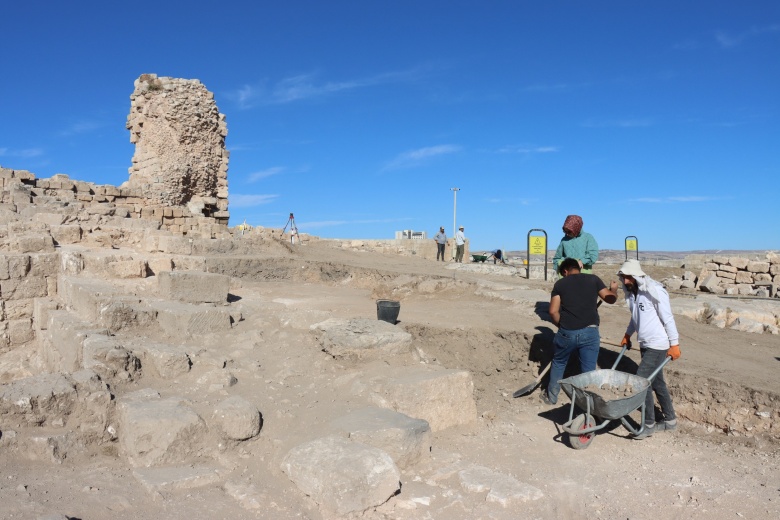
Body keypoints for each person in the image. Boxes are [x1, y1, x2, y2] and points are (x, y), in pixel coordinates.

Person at [617, 259, 682, 440]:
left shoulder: (654, 292)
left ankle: (648, 425)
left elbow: (668, 318)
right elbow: (635, 318)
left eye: (627, 277)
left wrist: (674, 343)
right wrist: (628, 334)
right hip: (644, 344)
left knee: (641, 381)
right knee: (657, 382)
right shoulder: (633, 294)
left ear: (635, 276)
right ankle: (670, 421)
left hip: (658, 344)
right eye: (623, 277)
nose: (624, 281)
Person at [541, 257, 619, 405]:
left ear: (565, 271)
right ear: (579, 268)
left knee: (559, 362)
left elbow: (552, 311)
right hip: (590, 332)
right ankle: (588, 405)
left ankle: (551, 398)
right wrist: (613, 289)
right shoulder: (594, 279)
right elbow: (610, 299)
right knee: (588, 371)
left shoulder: (560, 284)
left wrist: (561, 324)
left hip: (567, 332)